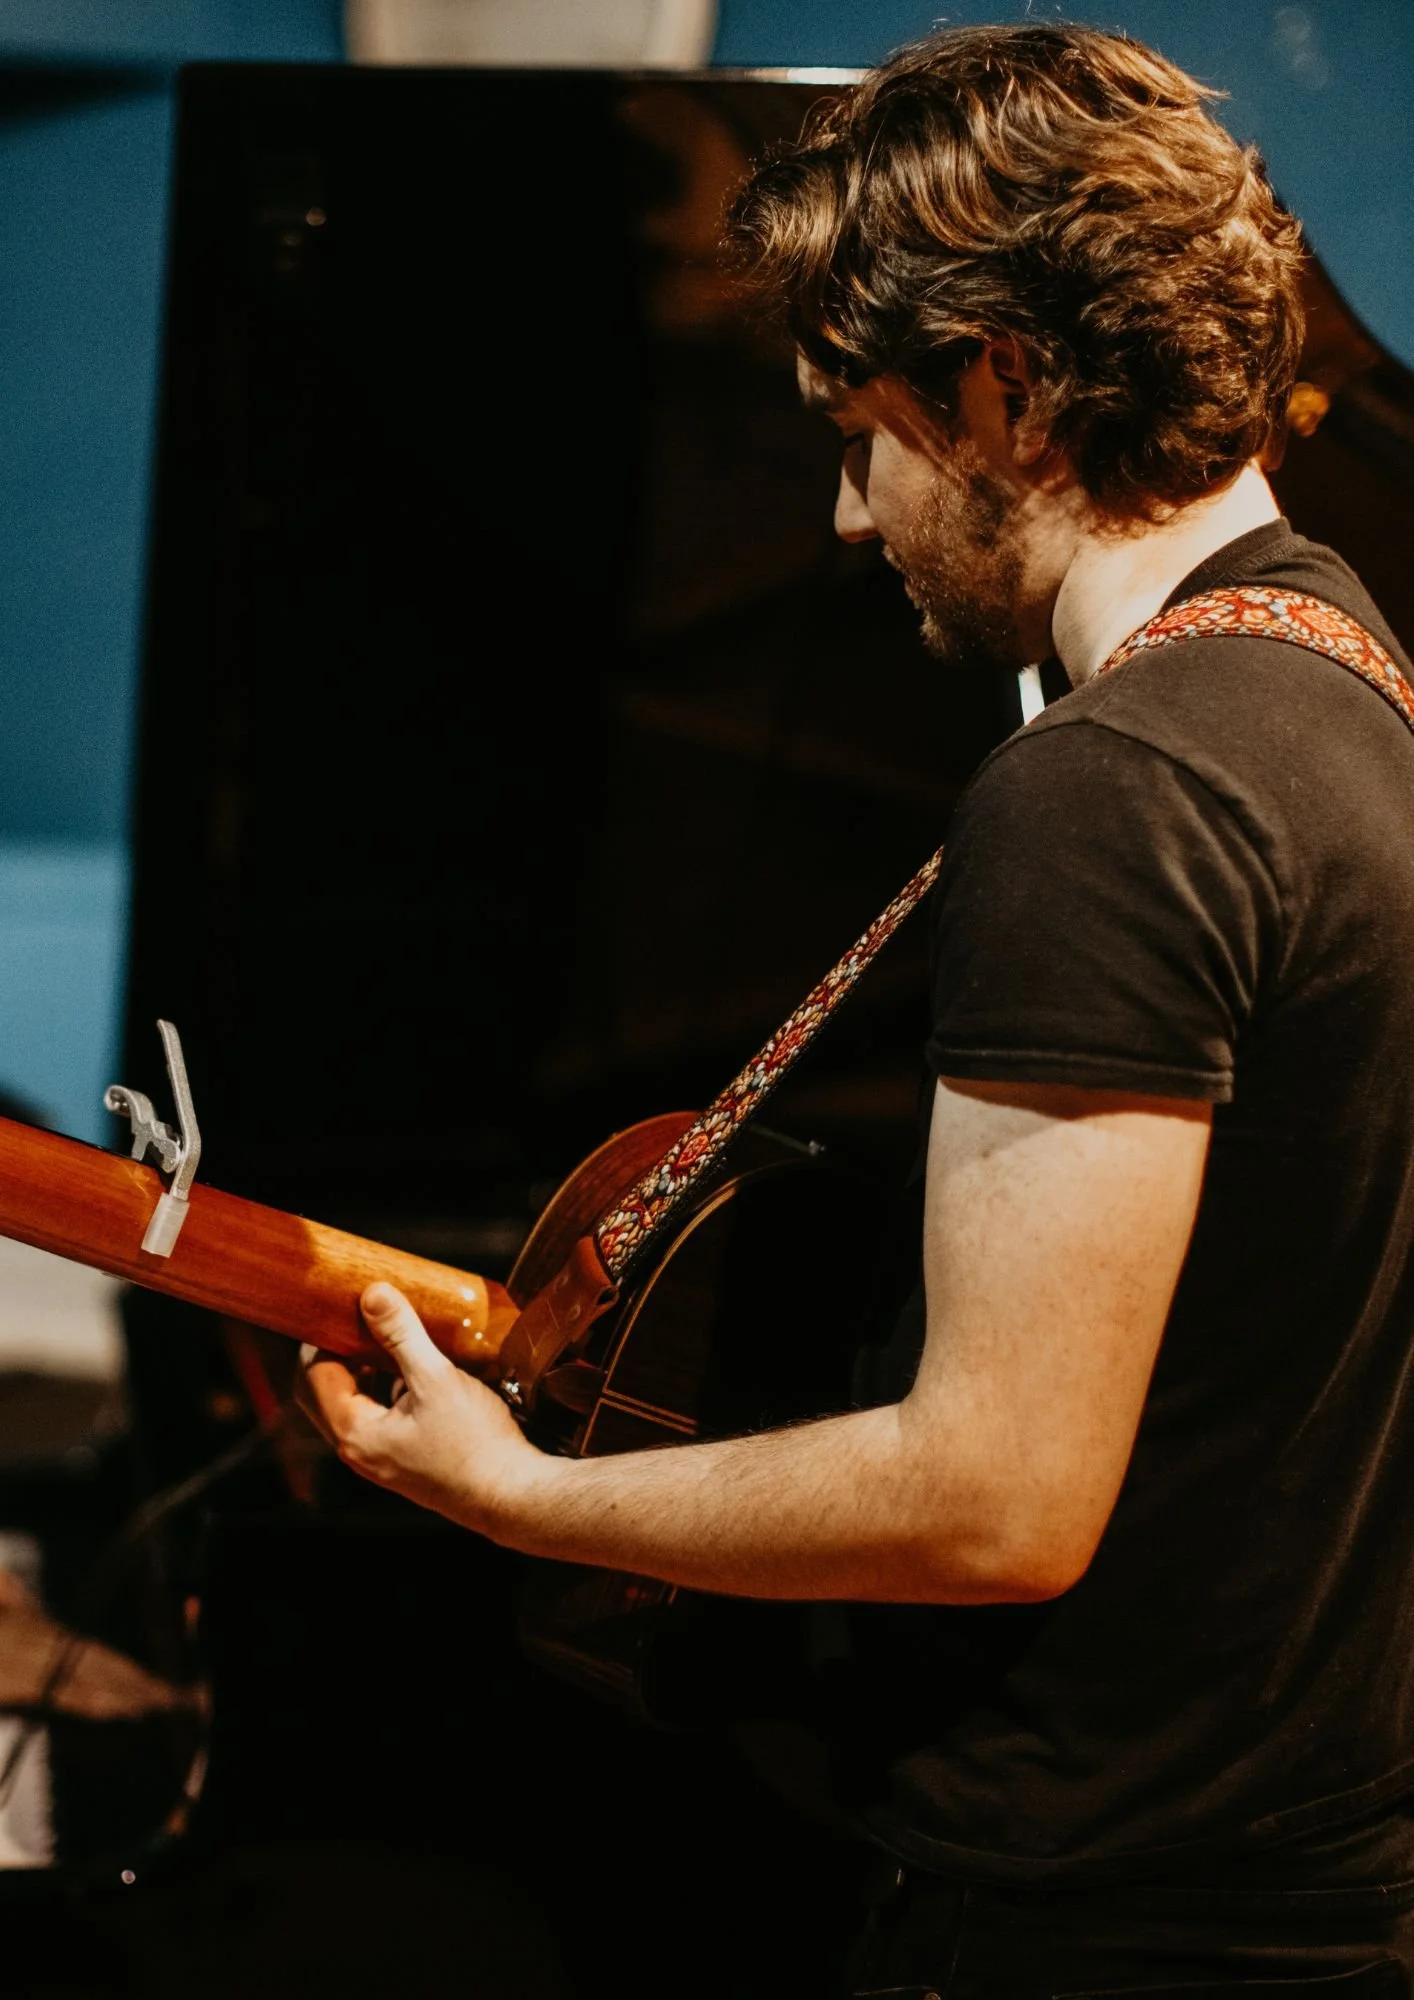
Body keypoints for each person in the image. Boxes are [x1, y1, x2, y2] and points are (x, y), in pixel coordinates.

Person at [298, 25, 1414, 1991]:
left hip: (1106, 1927)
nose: (841, 516)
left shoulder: (1111, 789)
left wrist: (529, 1497)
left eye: (855, 433)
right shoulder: (1347, 678)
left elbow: (993, 1497)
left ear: (997, 383)